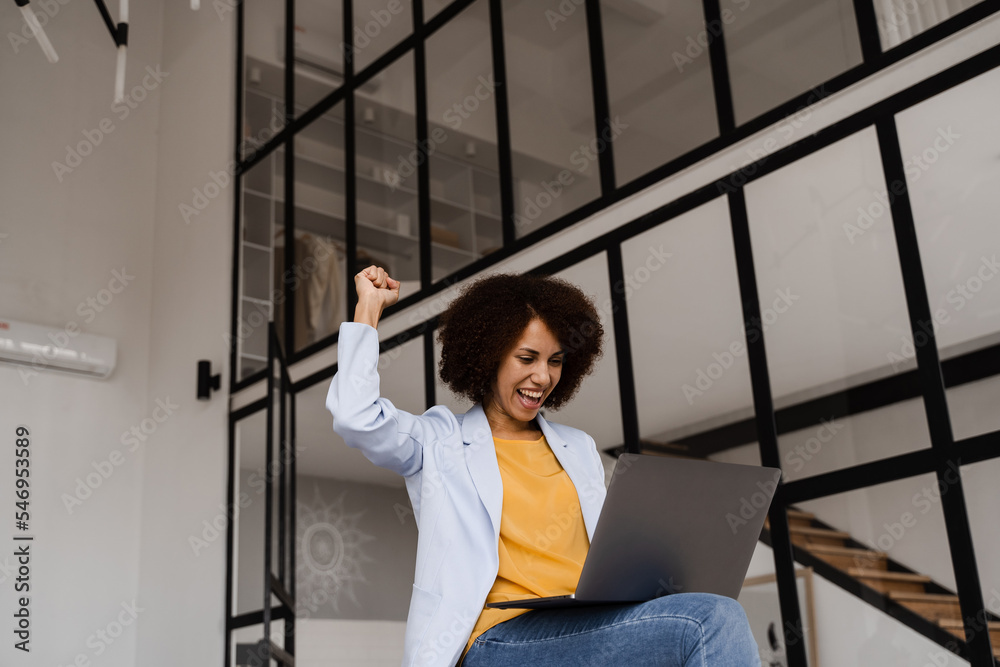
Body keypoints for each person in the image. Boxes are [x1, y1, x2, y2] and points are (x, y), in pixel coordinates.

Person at [326, 265, 762, 667]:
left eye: (555, 361)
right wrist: (369, 308)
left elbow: (608, 553)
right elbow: (355, 417)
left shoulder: (578, 448)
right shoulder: (438, 441)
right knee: (711, 619)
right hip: (495, 639)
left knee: (699, 617)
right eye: (527, 358)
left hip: (583, 625)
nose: (543, 377)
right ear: (489, 357)